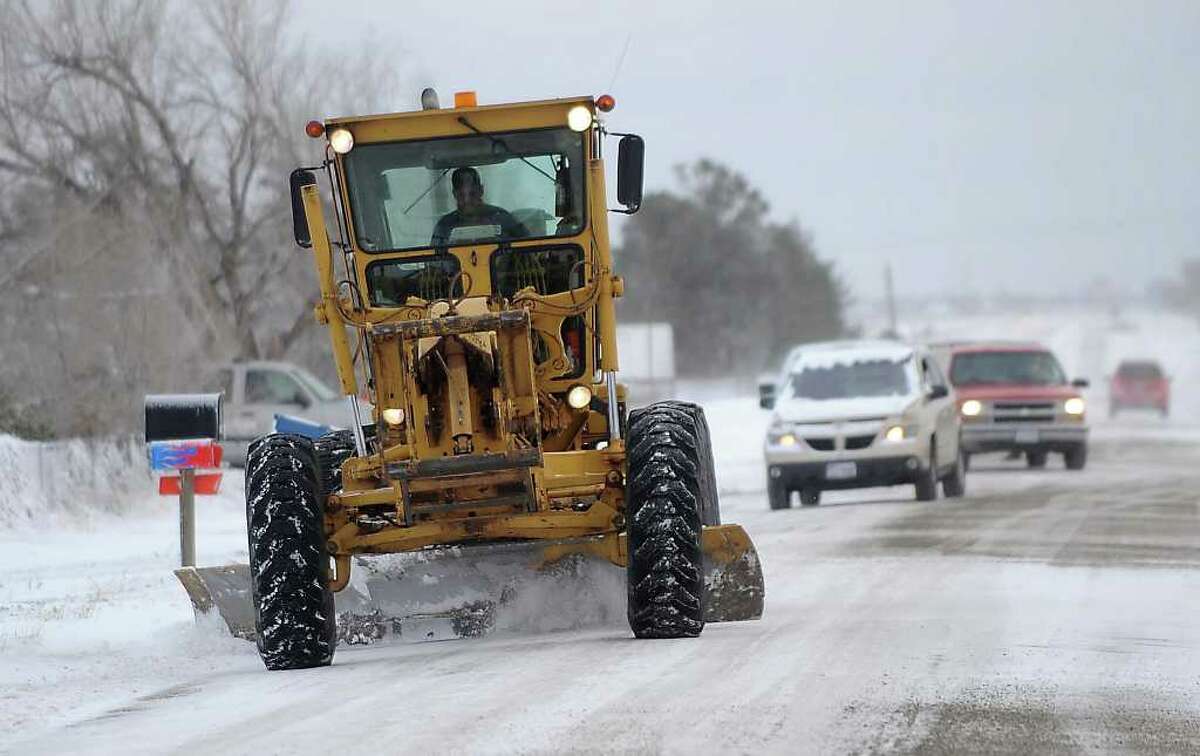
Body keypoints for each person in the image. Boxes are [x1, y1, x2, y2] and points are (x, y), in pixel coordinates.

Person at [431, 167, 528, 247]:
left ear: (481, 190)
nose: (467, 201)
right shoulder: (443, 227)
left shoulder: (503, 219)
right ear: (454, 194)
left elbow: (527, 249)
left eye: (472, 194)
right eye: (461, 195)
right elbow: (435, 263)